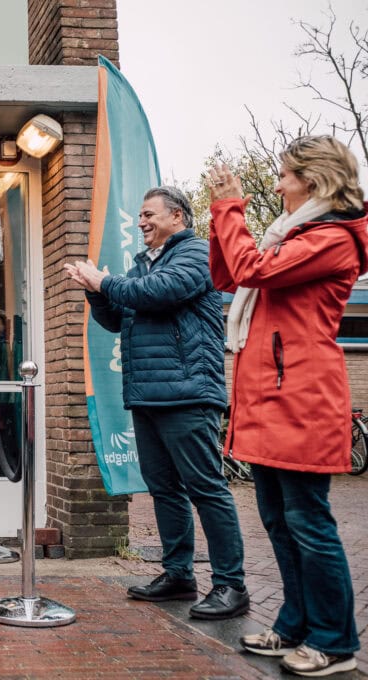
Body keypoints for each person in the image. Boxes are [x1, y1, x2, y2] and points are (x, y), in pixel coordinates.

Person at [207, 136, 366, 677]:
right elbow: (229, 274)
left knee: (309, 521)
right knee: (278, 519)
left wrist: (231, 208)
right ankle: (297, 624)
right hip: (270, 396)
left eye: (284, 176)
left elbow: (253, 270)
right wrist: (219, 216)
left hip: (302, 399)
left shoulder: (334, 239)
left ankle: (337, 642)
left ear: (314, 181)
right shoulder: (294, 234)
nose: (276, 185)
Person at [64, 186, 248, 620]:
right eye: (139, 215)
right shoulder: (140, 267)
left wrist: (107, 281)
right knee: (165, 489)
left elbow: (158, 293)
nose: (141, 221)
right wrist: (97, 291)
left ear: (177, 218)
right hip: (147, 393)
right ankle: (179, 574)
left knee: (206, 488)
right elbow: (116, 318)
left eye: (149, 214)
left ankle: (231, 585)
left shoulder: (195, 253)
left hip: (186, 392)